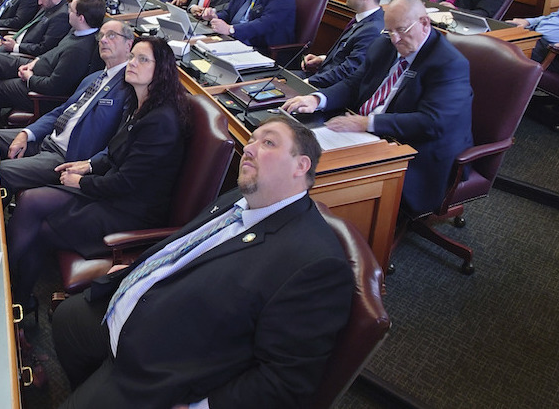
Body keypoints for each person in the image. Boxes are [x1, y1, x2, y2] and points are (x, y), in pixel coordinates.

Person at [51, 115, 352, 408]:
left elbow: (286, 381)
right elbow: (186, 248)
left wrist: (204, 407)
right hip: (133, 313)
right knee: (66, 318)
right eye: (251, 139)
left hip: (158, 370)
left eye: (268, 143)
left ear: (301, 166)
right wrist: (136, 270)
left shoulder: (315, 263)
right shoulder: (240, 197)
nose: (248, 147)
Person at [5, 37, 189, 316]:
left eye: (143, 59)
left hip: (130, 210)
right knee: (30, 200)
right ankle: (12, 289)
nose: (133, 64)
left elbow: (127, 183)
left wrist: (81, 182)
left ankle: (18, 299)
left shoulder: (161, 121)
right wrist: (87, 166)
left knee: (41, 229)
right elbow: (116, 152)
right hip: (112, 191)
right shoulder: (138, 103)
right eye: (133, 57)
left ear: (161, 69)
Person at [283, 0, 473, 215]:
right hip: (366, 134)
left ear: (424, 23)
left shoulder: (449, 63)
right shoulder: (385, 43)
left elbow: (432, 122)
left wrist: (367, 123)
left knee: (326, 176)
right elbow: (355, 83)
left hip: (417, 152)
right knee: (299, 154)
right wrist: (317, 99)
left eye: (401, 30)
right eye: (389, 31)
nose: (394, 39)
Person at [0, 20, 135, 194]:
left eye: (112, 36)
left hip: (66, 156)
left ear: (129, 44)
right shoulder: (94, 77)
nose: (104, 40)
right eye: (101, 36)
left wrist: (89, 166)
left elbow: (119, 143)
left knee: (1, 172)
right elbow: (61, 112)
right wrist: (27, 133)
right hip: (46, 139)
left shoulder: (129, 87)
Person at [0, 0, 105, 114]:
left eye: (71, 10)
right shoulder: (76, 30)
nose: (68, 12)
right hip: (38, 67)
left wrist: (29, 77)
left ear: (81, 18)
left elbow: (54, 86)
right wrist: (35, 61)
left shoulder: (78, 51)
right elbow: (54, 50)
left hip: (41, 92)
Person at [301, 0, 387, 88]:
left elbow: (348, 71)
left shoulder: (372, 30)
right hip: (323, 76)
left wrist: (308, 82)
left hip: (329, 88)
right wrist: (322, 59)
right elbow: (346, 54)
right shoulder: (362, 18)